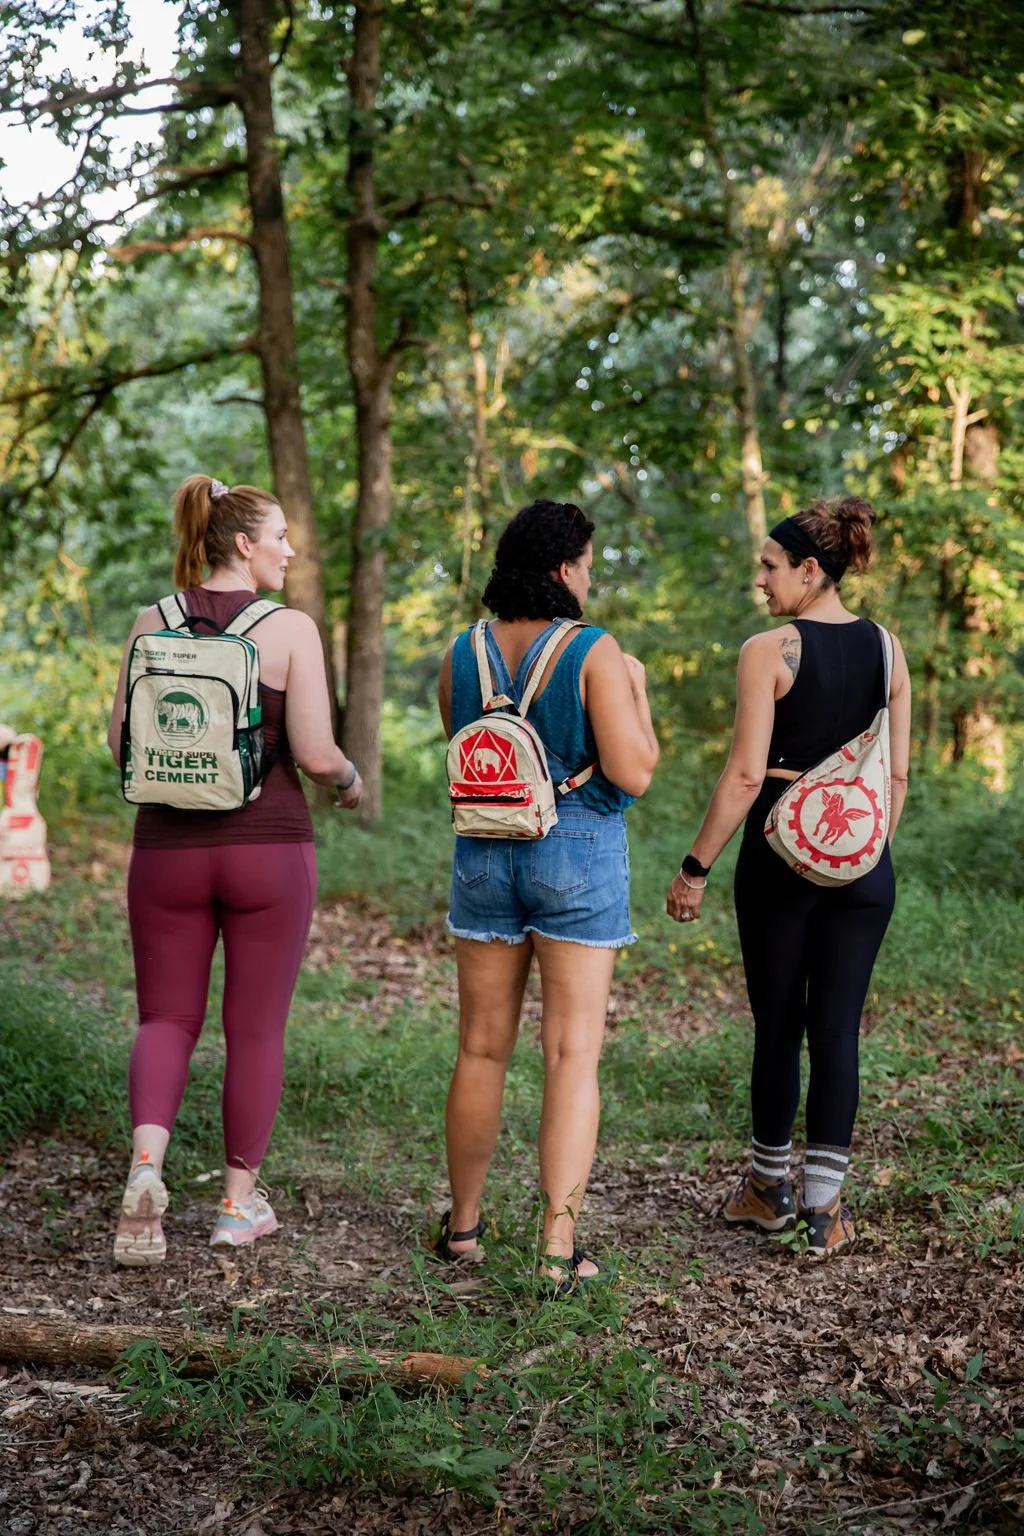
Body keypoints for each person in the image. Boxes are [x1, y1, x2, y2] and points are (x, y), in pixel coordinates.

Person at [107, 475, 361, 1266]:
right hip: (268, 851)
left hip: (165, 855)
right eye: (281, 535)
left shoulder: (154, 620)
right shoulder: (289, 630)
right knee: (253, 1029)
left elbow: (120, 747)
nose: (291, 549)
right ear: (244, 545)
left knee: (164, 1020)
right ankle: (235, 1207)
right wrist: (352, 784)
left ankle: (146, 1171)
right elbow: (316, 756)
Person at [666, 497, 911, 1258]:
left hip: (777, 861)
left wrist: (694, 867)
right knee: (836, 1027)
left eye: (771, 568)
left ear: (811, 570)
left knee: (779, 1025)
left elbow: (745, 777)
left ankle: (767, 1191)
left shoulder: (768, 650)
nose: (761, 582)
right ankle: (825, 1211)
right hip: (865, 864)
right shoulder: (888, 651)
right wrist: (860, 854)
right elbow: (897, 776)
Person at [435, 499, 659, 1288]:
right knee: (570, 1055)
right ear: (565, 569)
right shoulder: (595, 651)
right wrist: (634, 691)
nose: (591, 577)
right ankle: (557, 1254)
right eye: (589, 563)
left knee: (480, 1047)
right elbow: (634, 773)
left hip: (482, 857)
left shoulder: (463, 650)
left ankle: (462, 1230)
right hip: (577, 852)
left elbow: (466, 749)